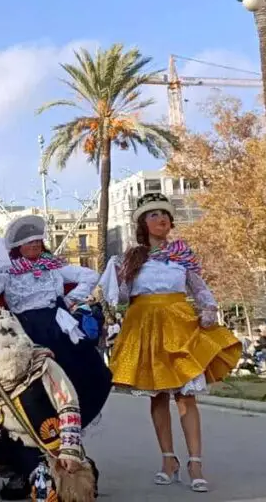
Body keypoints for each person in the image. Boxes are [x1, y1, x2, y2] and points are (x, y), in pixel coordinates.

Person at [99, 192, 242, 493]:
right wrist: (115, 276)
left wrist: (208, 309)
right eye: (153, 215)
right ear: (142, 222)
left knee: (186, 396)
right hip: (145, 327)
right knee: (158, 396)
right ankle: (168, 460)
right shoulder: (132, 257)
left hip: (179, 326)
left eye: (164, 214)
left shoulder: (182, 255)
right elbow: (124, 297)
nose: (161, 219)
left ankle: (195, 462)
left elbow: (200, 289)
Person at [0, 215, 112, 427]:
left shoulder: (53, 267)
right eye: (29, 242)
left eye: (37, 241)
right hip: (25, 331)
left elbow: (89, 276)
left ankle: (70, 430)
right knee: (32, 385)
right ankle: (39, 435)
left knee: (85, 373)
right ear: (18, 246)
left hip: (56, 328)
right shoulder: (9, 272)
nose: (34, 245)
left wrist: (69, 300)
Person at [0, 309, 97, 501]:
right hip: (13, 442)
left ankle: (77, 466)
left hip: (48, 449)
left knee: (47, 494)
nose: (5, 341)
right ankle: (18, 476)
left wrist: (69, 450)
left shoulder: (43, 365)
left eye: (11, 333)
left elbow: (68, 405)